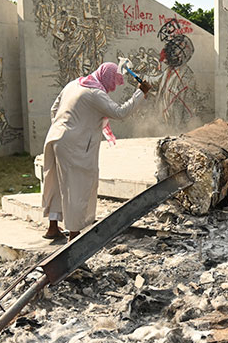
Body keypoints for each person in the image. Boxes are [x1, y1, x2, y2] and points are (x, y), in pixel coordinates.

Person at [42, 62, 152, 242]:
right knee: (76, 187)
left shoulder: (75, 84)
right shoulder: (95, 94)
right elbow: (120, 112)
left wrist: (63, 127)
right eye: (112, 82)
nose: (112, 87)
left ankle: (53, 228)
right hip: (74, 146)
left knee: (56, 183)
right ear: (106, 77)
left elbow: (54, 108)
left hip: (55, 138)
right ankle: (74, 236)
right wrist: (140, 92)